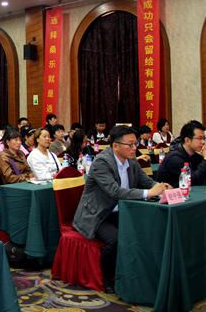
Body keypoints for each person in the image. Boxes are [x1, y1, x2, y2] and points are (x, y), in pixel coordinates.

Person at [73, 125, 170, 293]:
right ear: (115, 146)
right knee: (116, 240)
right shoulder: (102, 162)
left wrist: (161, 187)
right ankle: (107, 278)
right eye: (130, 144)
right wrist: (149, 193)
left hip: (122, 211)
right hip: (98, 214)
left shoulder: (131, 159)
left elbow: (146, 182)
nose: (134, 148)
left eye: (135, 143)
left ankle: (141, 273)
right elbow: (114, 191)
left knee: (146, 229)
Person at [156, 120, 206, 189]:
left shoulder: (197, 153)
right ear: (187, 141)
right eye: (199, 138)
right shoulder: (174, 158)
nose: (203, 142)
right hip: (170, 194)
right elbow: (193, 181)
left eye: (204, 138)